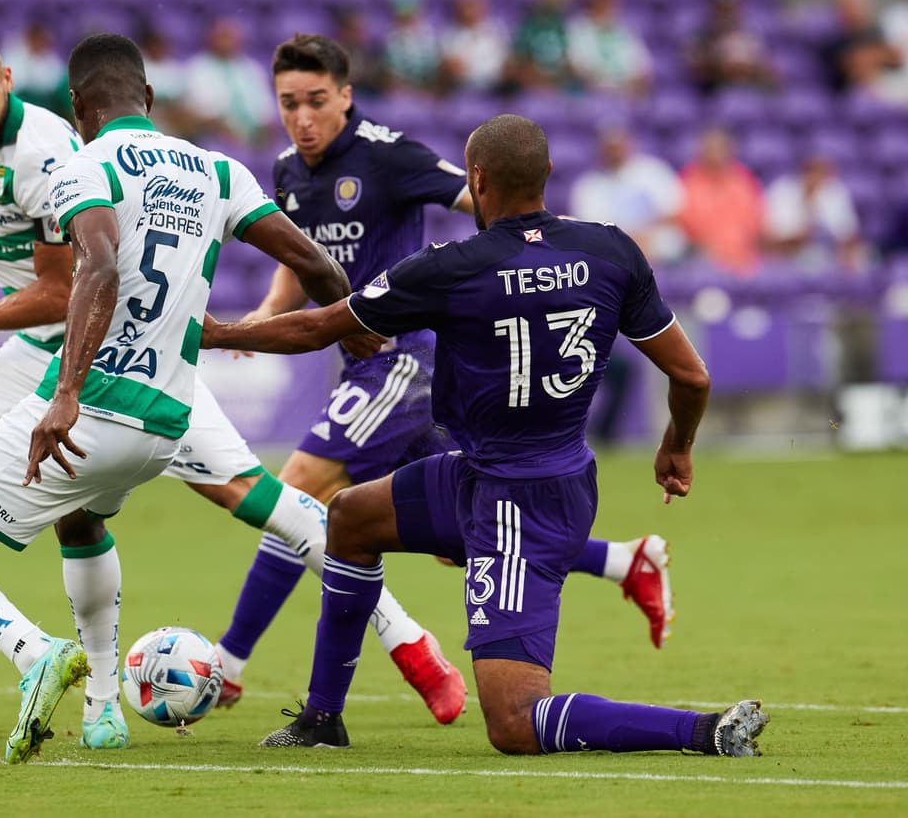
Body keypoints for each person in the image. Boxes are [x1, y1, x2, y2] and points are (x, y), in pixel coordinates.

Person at [0, 27, 396, 748]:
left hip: (94, 406)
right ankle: (103, 713)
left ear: (78, 105)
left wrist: (65, 395)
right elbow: (317, 263)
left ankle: (31, 653)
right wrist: (352, 325)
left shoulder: (81, 166)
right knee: (80, 520)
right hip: (168, 422)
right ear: (147, 95)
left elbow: (99, 270)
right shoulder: (218, 170)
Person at [202, 113, 769, 758]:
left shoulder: (452, 268)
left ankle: (704, 730)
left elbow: (315, 328)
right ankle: (322, 720)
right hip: (516, 473)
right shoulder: (611, 250)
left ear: (476, 179)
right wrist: (677, 446)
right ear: (548, 175)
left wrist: (219, 333)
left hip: (515, 502)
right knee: (351, 517)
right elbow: (691, 377)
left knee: (514, 721)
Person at [569, 126, 684, 265]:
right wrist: (631, 240)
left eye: (617, 146)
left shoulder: (653, 170)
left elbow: (673, 212)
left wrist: (644, 236)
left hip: (655, 241)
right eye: (609, 147)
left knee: (670, 242)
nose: (614, 152)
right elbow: (591, 229)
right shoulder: (589, 185)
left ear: (628, 143)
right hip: (615, 248)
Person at [677, 128, 764, 276]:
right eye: (711, 149)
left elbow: (755, 224)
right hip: (701, 259)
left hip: (743, 259)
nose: (716, 154)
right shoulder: (689, 181)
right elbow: (684, 223)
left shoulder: (744, 181)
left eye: (720, 148)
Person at [183, 18, 276, 145]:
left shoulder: (251, 68)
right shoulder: (197, 68)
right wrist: (224, 128)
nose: (226, 42)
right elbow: (198, 109)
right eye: (222, 37)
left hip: (254, 134)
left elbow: (266, 108)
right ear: (211, 39)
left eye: (230, 37)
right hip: (216, 133)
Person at [763, 154, 864, 270]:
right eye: (814, 173)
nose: (818, 180)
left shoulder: (835, 192)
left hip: (828, 257)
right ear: (804, 174)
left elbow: (849, 235)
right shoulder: (782, 191)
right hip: (789, 257)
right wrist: (802, 234)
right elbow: (771, 239)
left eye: (824, 175)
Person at [567, 0, 652, 95]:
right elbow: (576, 68)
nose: (606, 13)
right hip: (593, 93)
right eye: (600, 8)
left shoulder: (625, 33)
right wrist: (607, 83)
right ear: (591, 9)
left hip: (625, 93)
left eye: (610, 8)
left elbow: (643, 69)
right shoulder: (578, 31)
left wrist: (630, 85)